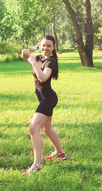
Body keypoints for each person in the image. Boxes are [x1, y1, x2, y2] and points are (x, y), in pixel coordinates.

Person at [21, 35, 66, 175]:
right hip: (44, 98)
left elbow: (43, 78)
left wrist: (33, 62)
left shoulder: (50, 62)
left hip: (48, 99)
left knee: (33, 128)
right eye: (43, 45)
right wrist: (26, 54)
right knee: (46, 129)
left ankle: (37, 164)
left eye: (48, 46)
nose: (45, 48)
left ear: (53, 47)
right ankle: (60, 153)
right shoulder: (41, 58)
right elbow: (27, 56)